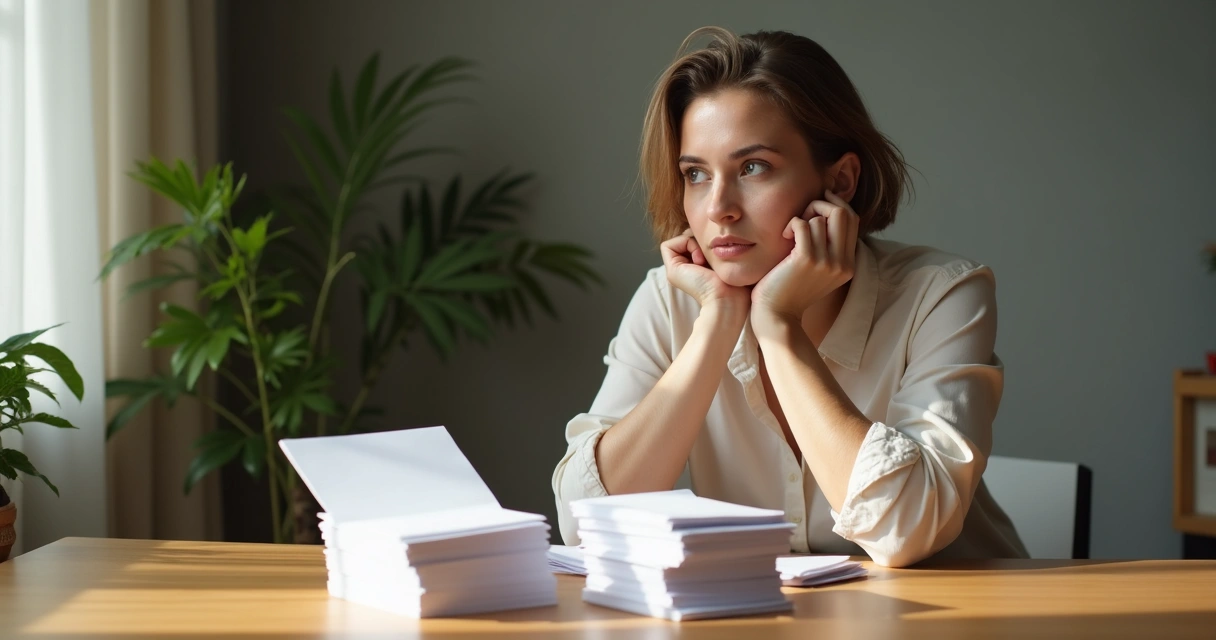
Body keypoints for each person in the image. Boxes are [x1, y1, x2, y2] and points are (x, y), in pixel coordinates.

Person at [551, 26, 1028, 567]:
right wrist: (715, 326)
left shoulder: (941, 295)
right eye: (697, 174)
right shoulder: (670, 300)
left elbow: (905, 531)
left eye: (753, 168)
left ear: (841, 182)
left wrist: (778, 326)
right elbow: (585, 524)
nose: (719, 208)